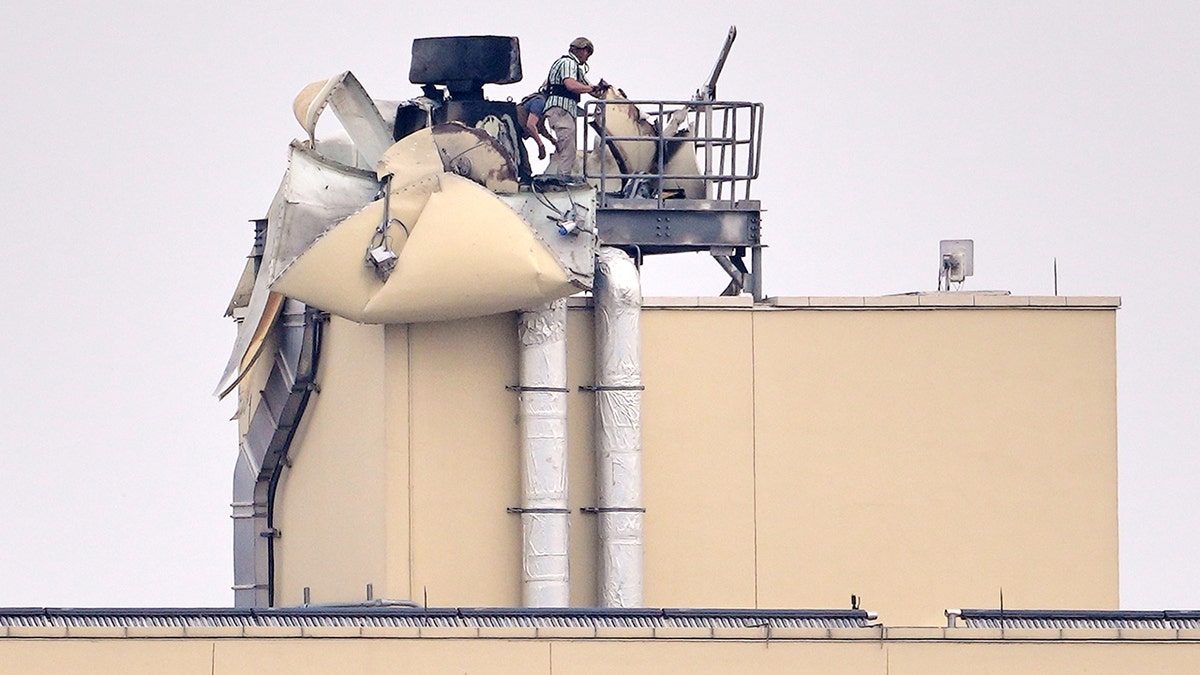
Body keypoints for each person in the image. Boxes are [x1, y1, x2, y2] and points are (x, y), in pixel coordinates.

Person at [543, 37, 604, 175]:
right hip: (561, 109)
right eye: (588, 53)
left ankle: (563, 176)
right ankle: (562, 180)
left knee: (569, 147)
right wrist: (591, 89)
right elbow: (570, 85)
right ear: (582, 50)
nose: (587, 57)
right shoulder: (568, 63)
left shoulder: (576, 68)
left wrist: (602, 90)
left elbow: (587, 87)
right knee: (568, 149)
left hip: (566, 111)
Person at [516, 91, 554, 160]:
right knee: (523, 164)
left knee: (522, 161)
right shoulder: (540, 102)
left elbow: (540, 127)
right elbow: (530, 125)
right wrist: (541, 145)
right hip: (511, 129)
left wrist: (553, 140)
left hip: (515, 131)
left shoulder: (541, 101)